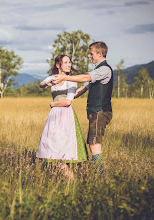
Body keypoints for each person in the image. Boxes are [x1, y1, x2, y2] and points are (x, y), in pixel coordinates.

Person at [52, 41, 113, 175]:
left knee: (94, 144)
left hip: (100, 111)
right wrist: (65, 99)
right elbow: (84, 88)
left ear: (100, 54)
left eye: (91, 54)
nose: (89, 56)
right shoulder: (97, 70)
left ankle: (100, 177)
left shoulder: (104, 69)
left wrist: (64, 77)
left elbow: (86, 78)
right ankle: (98, 175)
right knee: (92, 143)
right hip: (94, 112)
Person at [36, 55, 88, 173]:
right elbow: (41, 84)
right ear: (58, 65)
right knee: (51, 146)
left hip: (65, 115)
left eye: (70, 62)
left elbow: (68, 101)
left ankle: (70, 179)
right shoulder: (53, 78)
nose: (69, 64)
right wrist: (48, 83)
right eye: (66, 62)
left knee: (63, 149)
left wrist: (52, 104)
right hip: (54, 117)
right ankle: (65, 177)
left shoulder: (71, 81)